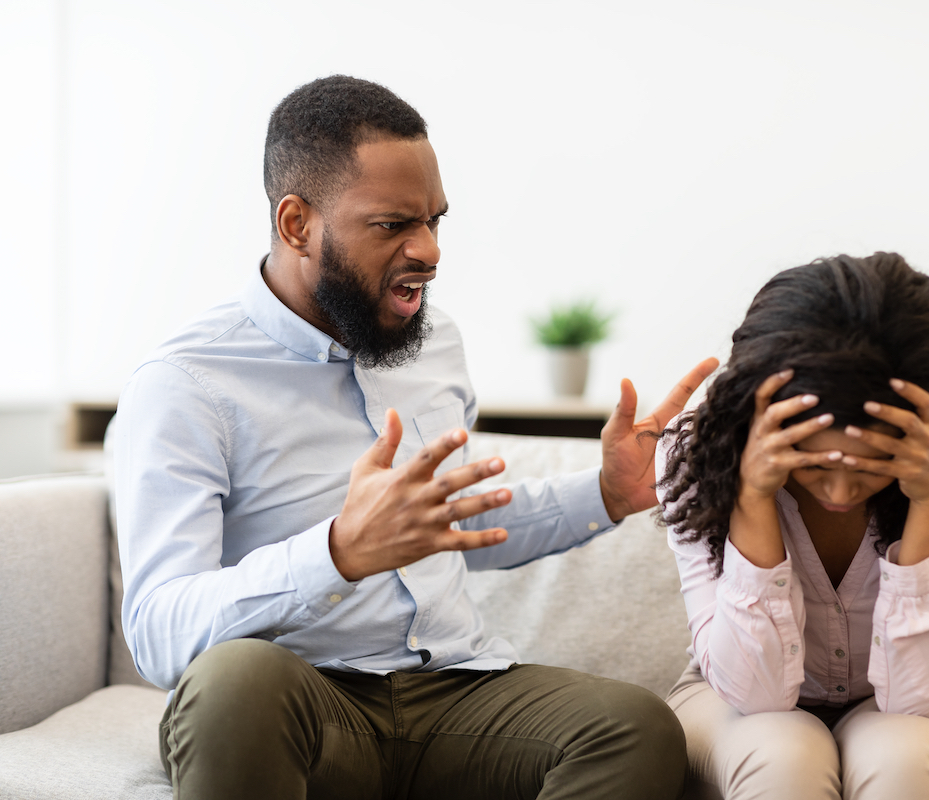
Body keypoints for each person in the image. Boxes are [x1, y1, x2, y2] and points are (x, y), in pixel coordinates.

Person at [110, 74, 717, 800]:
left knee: (634, 726)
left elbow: (456, 521)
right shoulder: (186, 382)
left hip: (452, 693)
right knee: (237, 680)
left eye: (435, 220)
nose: (428, 250)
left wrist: (608, 493)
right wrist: (337, 553)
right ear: (297, 223)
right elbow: (158, 632)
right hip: (300, 700)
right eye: (393, 224)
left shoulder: (436, 345)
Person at [654, 253, 929, 800]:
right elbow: (753, 693)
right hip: (727, 700)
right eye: (811, 464)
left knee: (901, 757)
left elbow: (920, 698)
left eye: (871, 466)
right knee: (781, 757)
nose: (838, 493)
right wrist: (752, 496)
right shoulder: (695, 454)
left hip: (923, 714)